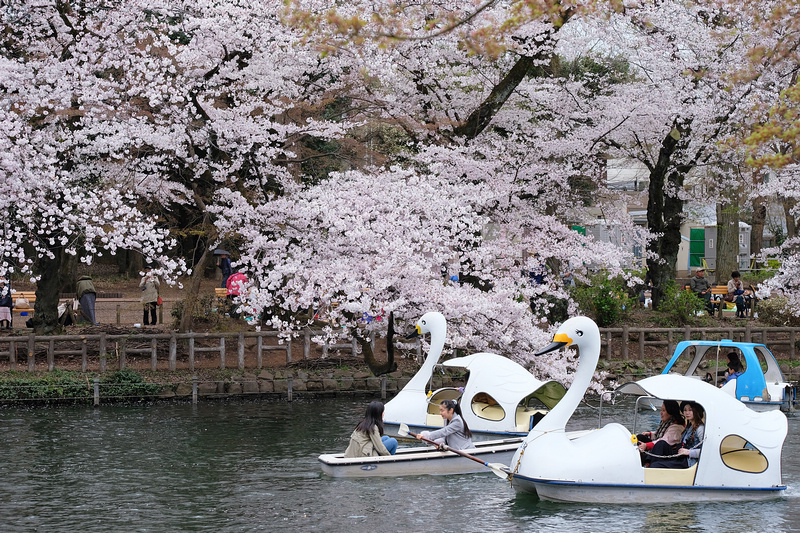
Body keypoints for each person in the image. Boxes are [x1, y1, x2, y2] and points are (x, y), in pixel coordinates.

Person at [637, 400, 685, 467]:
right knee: (640, 437)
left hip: (670, 452)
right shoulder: (667, 422)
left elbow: (664, 440)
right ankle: (638, 460)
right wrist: (650, 434)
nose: (661, 413)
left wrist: (646, 445)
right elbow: (661, 434)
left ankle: (648, 463)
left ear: (670, 412)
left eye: (663, 411)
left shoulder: (676, 427)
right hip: (662, 445)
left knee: (660, 444)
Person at [678, 401, 705, 467]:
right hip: (682, 458)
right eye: (685, 410)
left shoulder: (700, 429)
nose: (687, 413)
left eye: (690, 410)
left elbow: (706, 450)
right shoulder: (689, 427)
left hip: (689, 462)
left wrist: (689, 452)